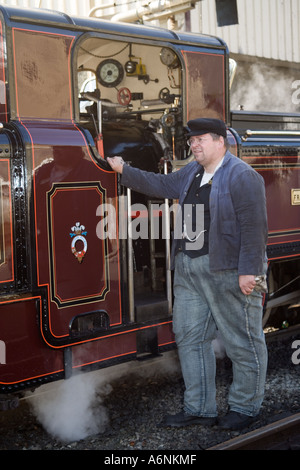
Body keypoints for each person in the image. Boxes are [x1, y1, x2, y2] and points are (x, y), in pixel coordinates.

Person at [107, 118, 268, 431]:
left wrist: (250, 272)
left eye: (201, 139)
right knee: (190, 339)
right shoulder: (192, 173)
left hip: (230, 270)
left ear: (221, 141)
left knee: (243, 342)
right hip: (189, 271)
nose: (194, 145)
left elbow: (255, 228)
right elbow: (161, 185)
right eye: (192, 140)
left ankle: (246, 408)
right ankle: (199, 408)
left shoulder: (242, 175)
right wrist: (124, 171)